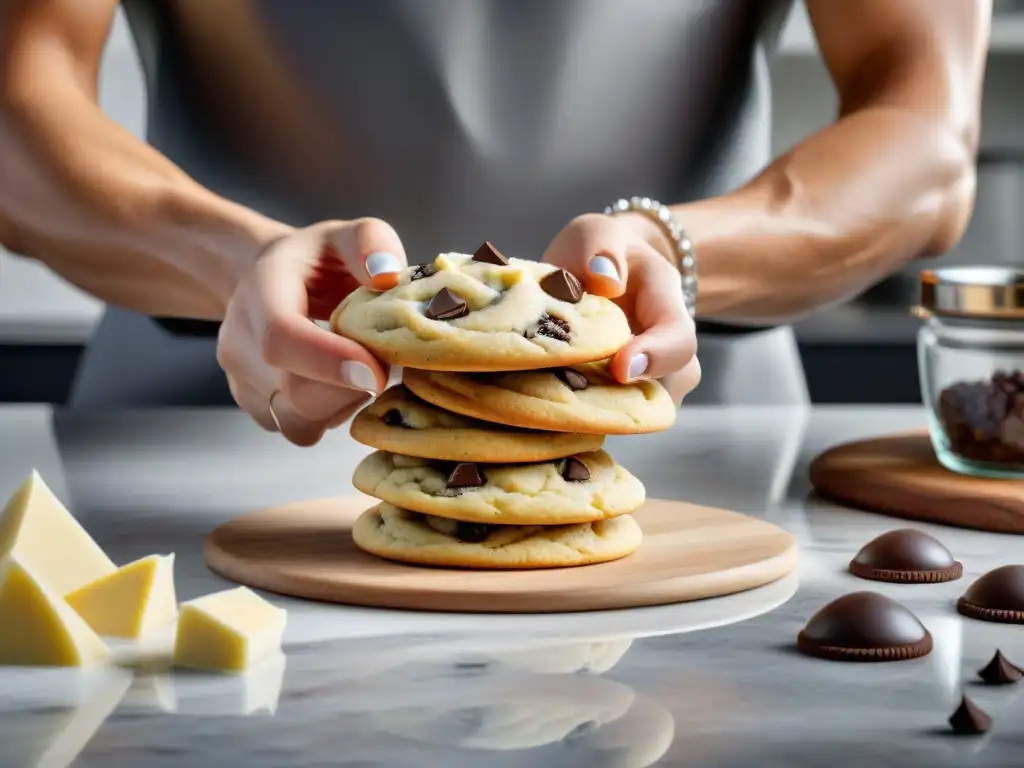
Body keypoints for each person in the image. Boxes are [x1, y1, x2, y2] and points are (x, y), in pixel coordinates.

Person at [0, 0, 988, 446]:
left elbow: (924, 135)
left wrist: (676, 251)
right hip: (171, 448)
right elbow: (17, 113)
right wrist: (235, 262)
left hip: (693, 461)